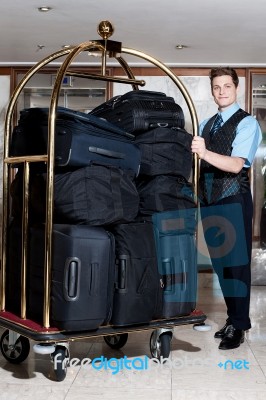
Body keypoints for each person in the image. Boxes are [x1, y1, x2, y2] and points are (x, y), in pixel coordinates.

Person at [191, 67, 262, 350]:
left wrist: (204, 151)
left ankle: (240, 326)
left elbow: (235, 164)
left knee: (237, 266)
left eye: (227, 86)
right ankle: (233, 319)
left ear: (237, 89)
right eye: (217, 87)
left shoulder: (247, 123)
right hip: (209, 200)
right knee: (221, 265)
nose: (221, 91)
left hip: (233, 199)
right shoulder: (207, 124)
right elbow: (199, 164)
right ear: (212, 90)